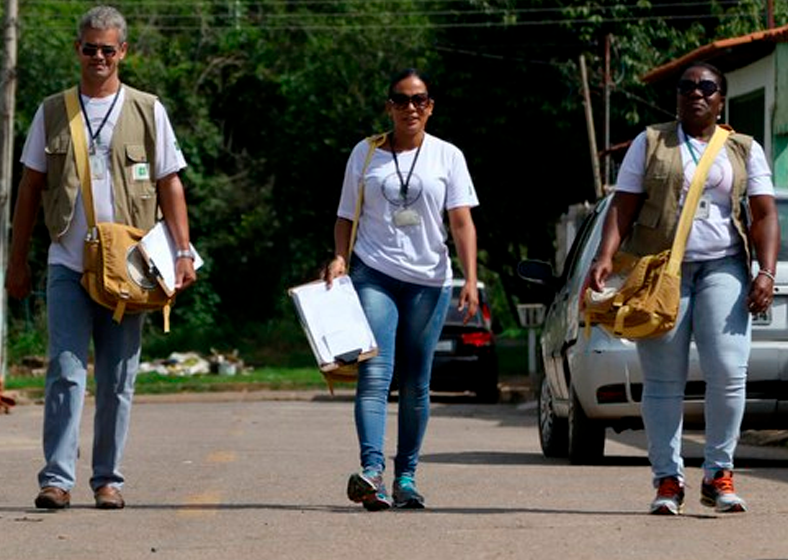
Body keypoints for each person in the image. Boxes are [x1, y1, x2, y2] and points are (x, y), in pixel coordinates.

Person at [5, 5, 196, 510]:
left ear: (123, 52)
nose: (98, 57)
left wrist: (183, 254)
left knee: (116, 379)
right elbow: (30, 187)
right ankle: (57, 479)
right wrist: (17, 260)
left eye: (108, 50)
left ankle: (108, 480)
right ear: (78, 50)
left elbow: (169, 183)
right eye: (90, 48)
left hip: (131, 273)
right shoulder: (51, 111)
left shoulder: (148, 109)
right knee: (67, 371)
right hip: (68, 264)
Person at [587, 61, 779, 515]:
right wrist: (604, 256)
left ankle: (718, 473)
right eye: (687, 86)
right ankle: (668, 479)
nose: (696, 93)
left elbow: (765, 214)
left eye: (707, 87)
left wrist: (766, 272)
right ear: (677, 97)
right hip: (661, 274)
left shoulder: (743, 149)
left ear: (721, 99)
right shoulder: (650, 142)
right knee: (663, 381)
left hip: (724, 268)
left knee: (729, 372)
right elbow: (624, 206)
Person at [322, 68, 480, 510]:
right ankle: (371, 471)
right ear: (388, 106)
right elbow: (344, 217)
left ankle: (406, 476)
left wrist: (469, 278)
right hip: (375, 273)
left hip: (429, 282)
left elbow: (462, 222)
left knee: (416, 383)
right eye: (401, 99)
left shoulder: (448, 156)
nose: (410, 107)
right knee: (375, 372)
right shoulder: (365, 153)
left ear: (430, 107)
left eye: (419, 100)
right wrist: (340, 256)